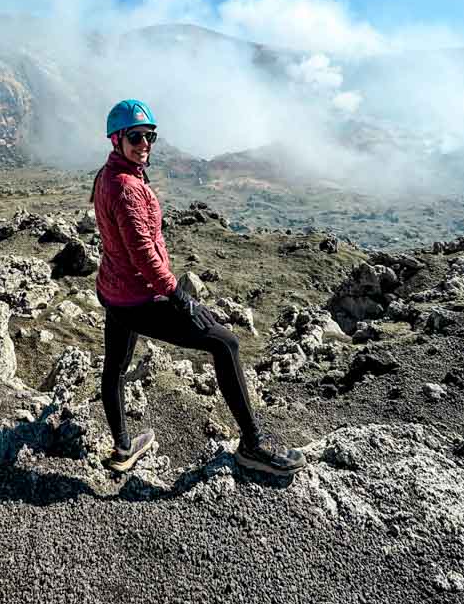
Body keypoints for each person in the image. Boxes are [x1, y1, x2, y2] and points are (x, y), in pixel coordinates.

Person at [90, 98, 306, 476]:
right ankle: (253, 446)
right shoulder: (125, 186)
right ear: (117, 139)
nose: (145, 144)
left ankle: (123, 448)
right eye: (137, 137)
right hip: (139, 296)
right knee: (225, 343)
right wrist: (178, 296)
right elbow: (142, 253)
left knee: (116, 367)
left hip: (114, 291)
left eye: (150, 137)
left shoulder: (108, 175)